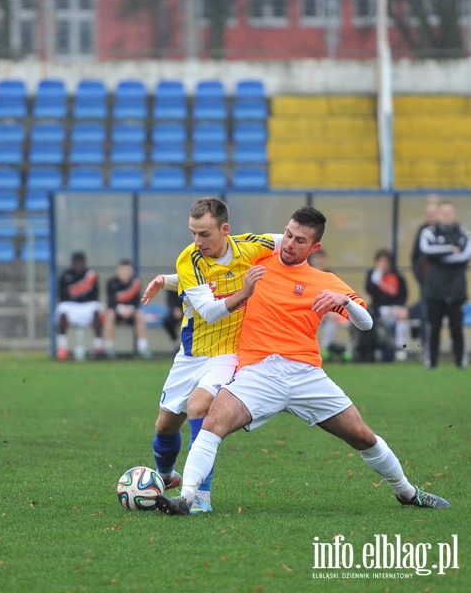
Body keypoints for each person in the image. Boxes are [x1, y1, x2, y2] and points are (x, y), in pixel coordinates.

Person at [156, 206, 451, 516]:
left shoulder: (323, 281)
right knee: (212, 424)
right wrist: (167, 279)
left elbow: (366, 324)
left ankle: (406, 492)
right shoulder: (258, 261)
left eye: (299, 240)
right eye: (287, 235)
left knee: (362, 435)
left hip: (305, 374)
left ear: (314, 247)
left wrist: (345, 301)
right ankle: (187, 498)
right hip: (258, 372)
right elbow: (219, 265)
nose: (289, 244)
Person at [140, 198, 281, 513]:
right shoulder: (189, 260)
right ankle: (165, 477)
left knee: (199, 405)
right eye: (193, 233)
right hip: (190, 355)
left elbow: (291, 243)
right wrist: (244, 293)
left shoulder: (251, 245)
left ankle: (200, 497)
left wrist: (305, 266)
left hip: (228, 353)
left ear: (225, 229)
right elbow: (208, 311)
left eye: (204, 234)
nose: (197, 241)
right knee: (164, 426)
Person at [418, 201, 471, 369]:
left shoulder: (464, 234)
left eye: (450, 212)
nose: (447, 215)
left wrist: (440, 256)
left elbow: (464, 256)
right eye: (443, 212)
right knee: (434, 329)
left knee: (457, 330)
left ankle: (460, 361)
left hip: (456, 291)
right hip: (434, 291)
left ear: (454, 214)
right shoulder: (428, 233)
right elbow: (426, 250)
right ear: (438, 215)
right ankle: (431, 361)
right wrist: (450, 249)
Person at [54, 251, 104, 361]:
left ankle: (98, 347)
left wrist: (83, 299)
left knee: (97, 310)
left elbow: (95, 295)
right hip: (71, 306)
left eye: (80, 263)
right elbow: (62, 296)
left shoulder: (91, 275)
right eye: (76, 263)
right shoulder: (65, 275)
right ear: (72, 263)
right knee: (62, 311)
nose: (78, 265)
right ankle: (62, 348)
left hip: (87, 306)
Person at [363, 249, 411, 361]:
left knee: (404, 316)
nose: (383, 264)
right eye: (380, 261)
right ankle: (377, 349)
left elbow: (403, 296)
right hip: (378, 309)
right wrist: (378, 273)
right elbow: (370, 290)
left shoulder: (397, 277)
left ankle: (401, 348)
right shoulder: (373, 275)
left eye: (385, 261)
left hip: (395, 309)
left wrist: (395, 307)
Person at [308, 249, 353, 362]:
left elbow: (338, 296)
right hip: (309, 311)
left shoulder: (330, 276)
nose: (319, 261)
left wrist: (329, 311)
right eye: (316, 258)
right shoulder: (306, 275)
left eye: (321, 258)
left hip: (326, 312)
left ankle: (332, 349)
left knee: (344, 319)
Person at [103, 259, 151, 359]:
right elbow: (110, 302)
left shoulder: (136, 283)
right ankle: (109, 349)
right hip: (116, 313)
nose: (124, 273)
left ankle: (143, 349)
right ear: (117, 271)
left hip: (131, 313)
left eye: (127, 270)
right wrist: (120, 309)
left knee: (139, 314)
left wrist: (130, 309)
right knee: (110, 314)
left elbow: (138, 302)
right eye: (122, 270)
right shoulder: (111, 283)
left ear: (132, 271)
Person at [409, 202, 439, 349]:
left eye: (433, 214)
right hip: (426, 283)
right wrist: (420, 276)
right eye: (429, 215)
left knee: (440, 315)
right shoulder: (422, 231)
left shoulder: (444, 232)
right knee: (425, 314)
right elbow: (415, 257)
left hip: (444, 284)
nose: (430, 217)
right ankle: (426, 347)